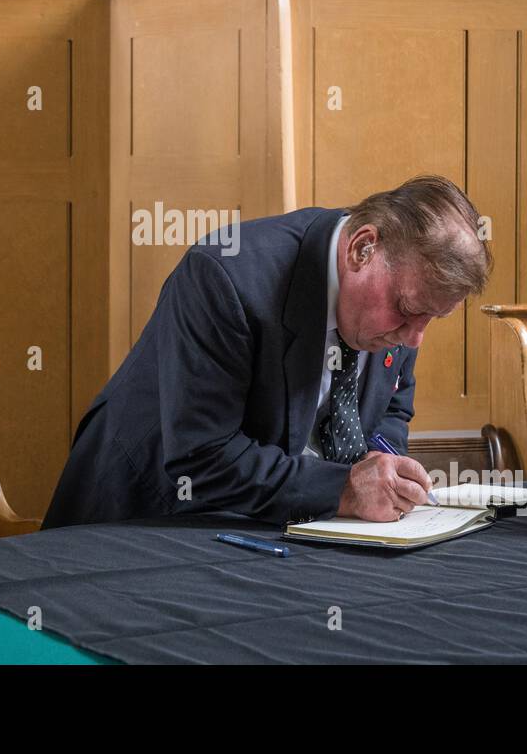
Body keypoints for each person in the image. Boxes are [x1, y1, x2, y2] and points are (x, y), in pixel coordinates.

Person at [43, 175, 492, 528]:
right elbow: (203, 458)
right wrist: (343, 488)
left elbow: (392, 407)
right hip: (140, 518)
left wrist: (383, 467)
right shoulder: (225, 277)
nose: (415, 338)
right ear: (361, 249)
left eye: (433, 318)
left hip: (272, 530)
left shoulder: (403, 301)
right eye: (409, 311)